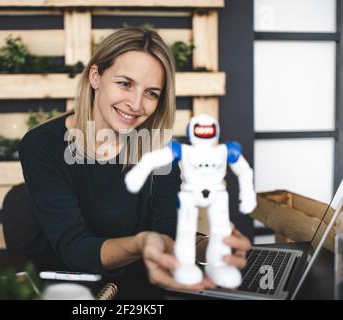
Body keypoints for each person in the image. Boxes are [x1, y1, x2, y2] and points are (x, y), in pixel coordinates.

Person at [19, 27, 251, 292]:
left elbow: (167, 233)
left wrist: (211, 246)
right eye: (125, 84)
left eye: (151, 93)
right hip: (70, 291)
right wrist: (141, 243)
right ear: (95, 77)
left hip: (146, 289)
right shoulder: (42, 145)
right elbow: (76, 249)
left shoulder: (160, 149)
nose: (136, 104)